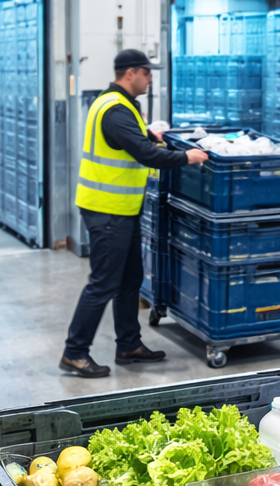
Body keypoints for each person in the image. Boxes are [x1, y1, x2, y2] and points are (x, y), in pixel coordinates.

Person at [60, 49, 208, 378]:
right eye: (147, 72)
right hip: (106, 211)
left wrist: (151, 135)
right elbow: (143, 153)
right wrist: (188, 158)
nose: (151, 77)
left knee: (130, 279)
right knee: (102, 284)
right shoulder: (115, 110)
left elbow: (136, 139)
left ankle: (128, 344)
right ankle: (74, 352)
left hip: (122, 209)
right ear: (130, 74)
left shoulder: (122, 104)